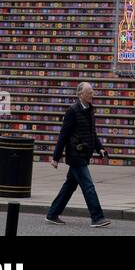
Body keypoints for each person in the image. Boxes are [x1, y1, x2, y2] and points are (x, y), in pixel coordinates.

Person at [46, 81, 110, 227]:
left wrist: (100, 148)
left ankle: (52, 214)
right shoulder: (72, 111)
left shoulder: (90, 110)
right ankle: (97, 217)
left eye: (92, 92)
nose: (92, 94)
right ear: (80, 94)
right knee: (88, 186)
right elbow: (63, 135)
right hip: (76, 155)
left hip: (84, 154)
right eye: (89, 92)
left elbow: (92, 133)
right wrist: (55, 157)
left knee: (69, 186)